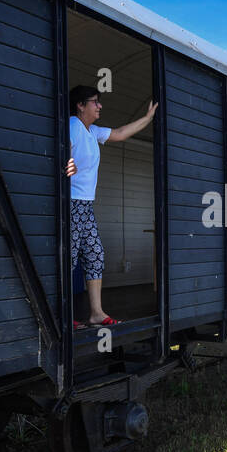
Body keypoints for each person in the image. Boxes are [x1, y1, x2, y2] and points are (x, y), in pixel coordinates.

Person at [69, 84, 158, 326]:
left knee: (95, 256)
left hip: (85, 206)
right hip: (71, 203)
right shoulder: (71, 127)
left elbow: (119, 133)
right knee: (67, 260)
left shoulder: (92, 131)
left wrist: (148, 118)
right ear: (80, 105)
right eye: (95, 102)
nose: (100, 106)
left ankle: (96, 313)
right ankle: (62, 317)